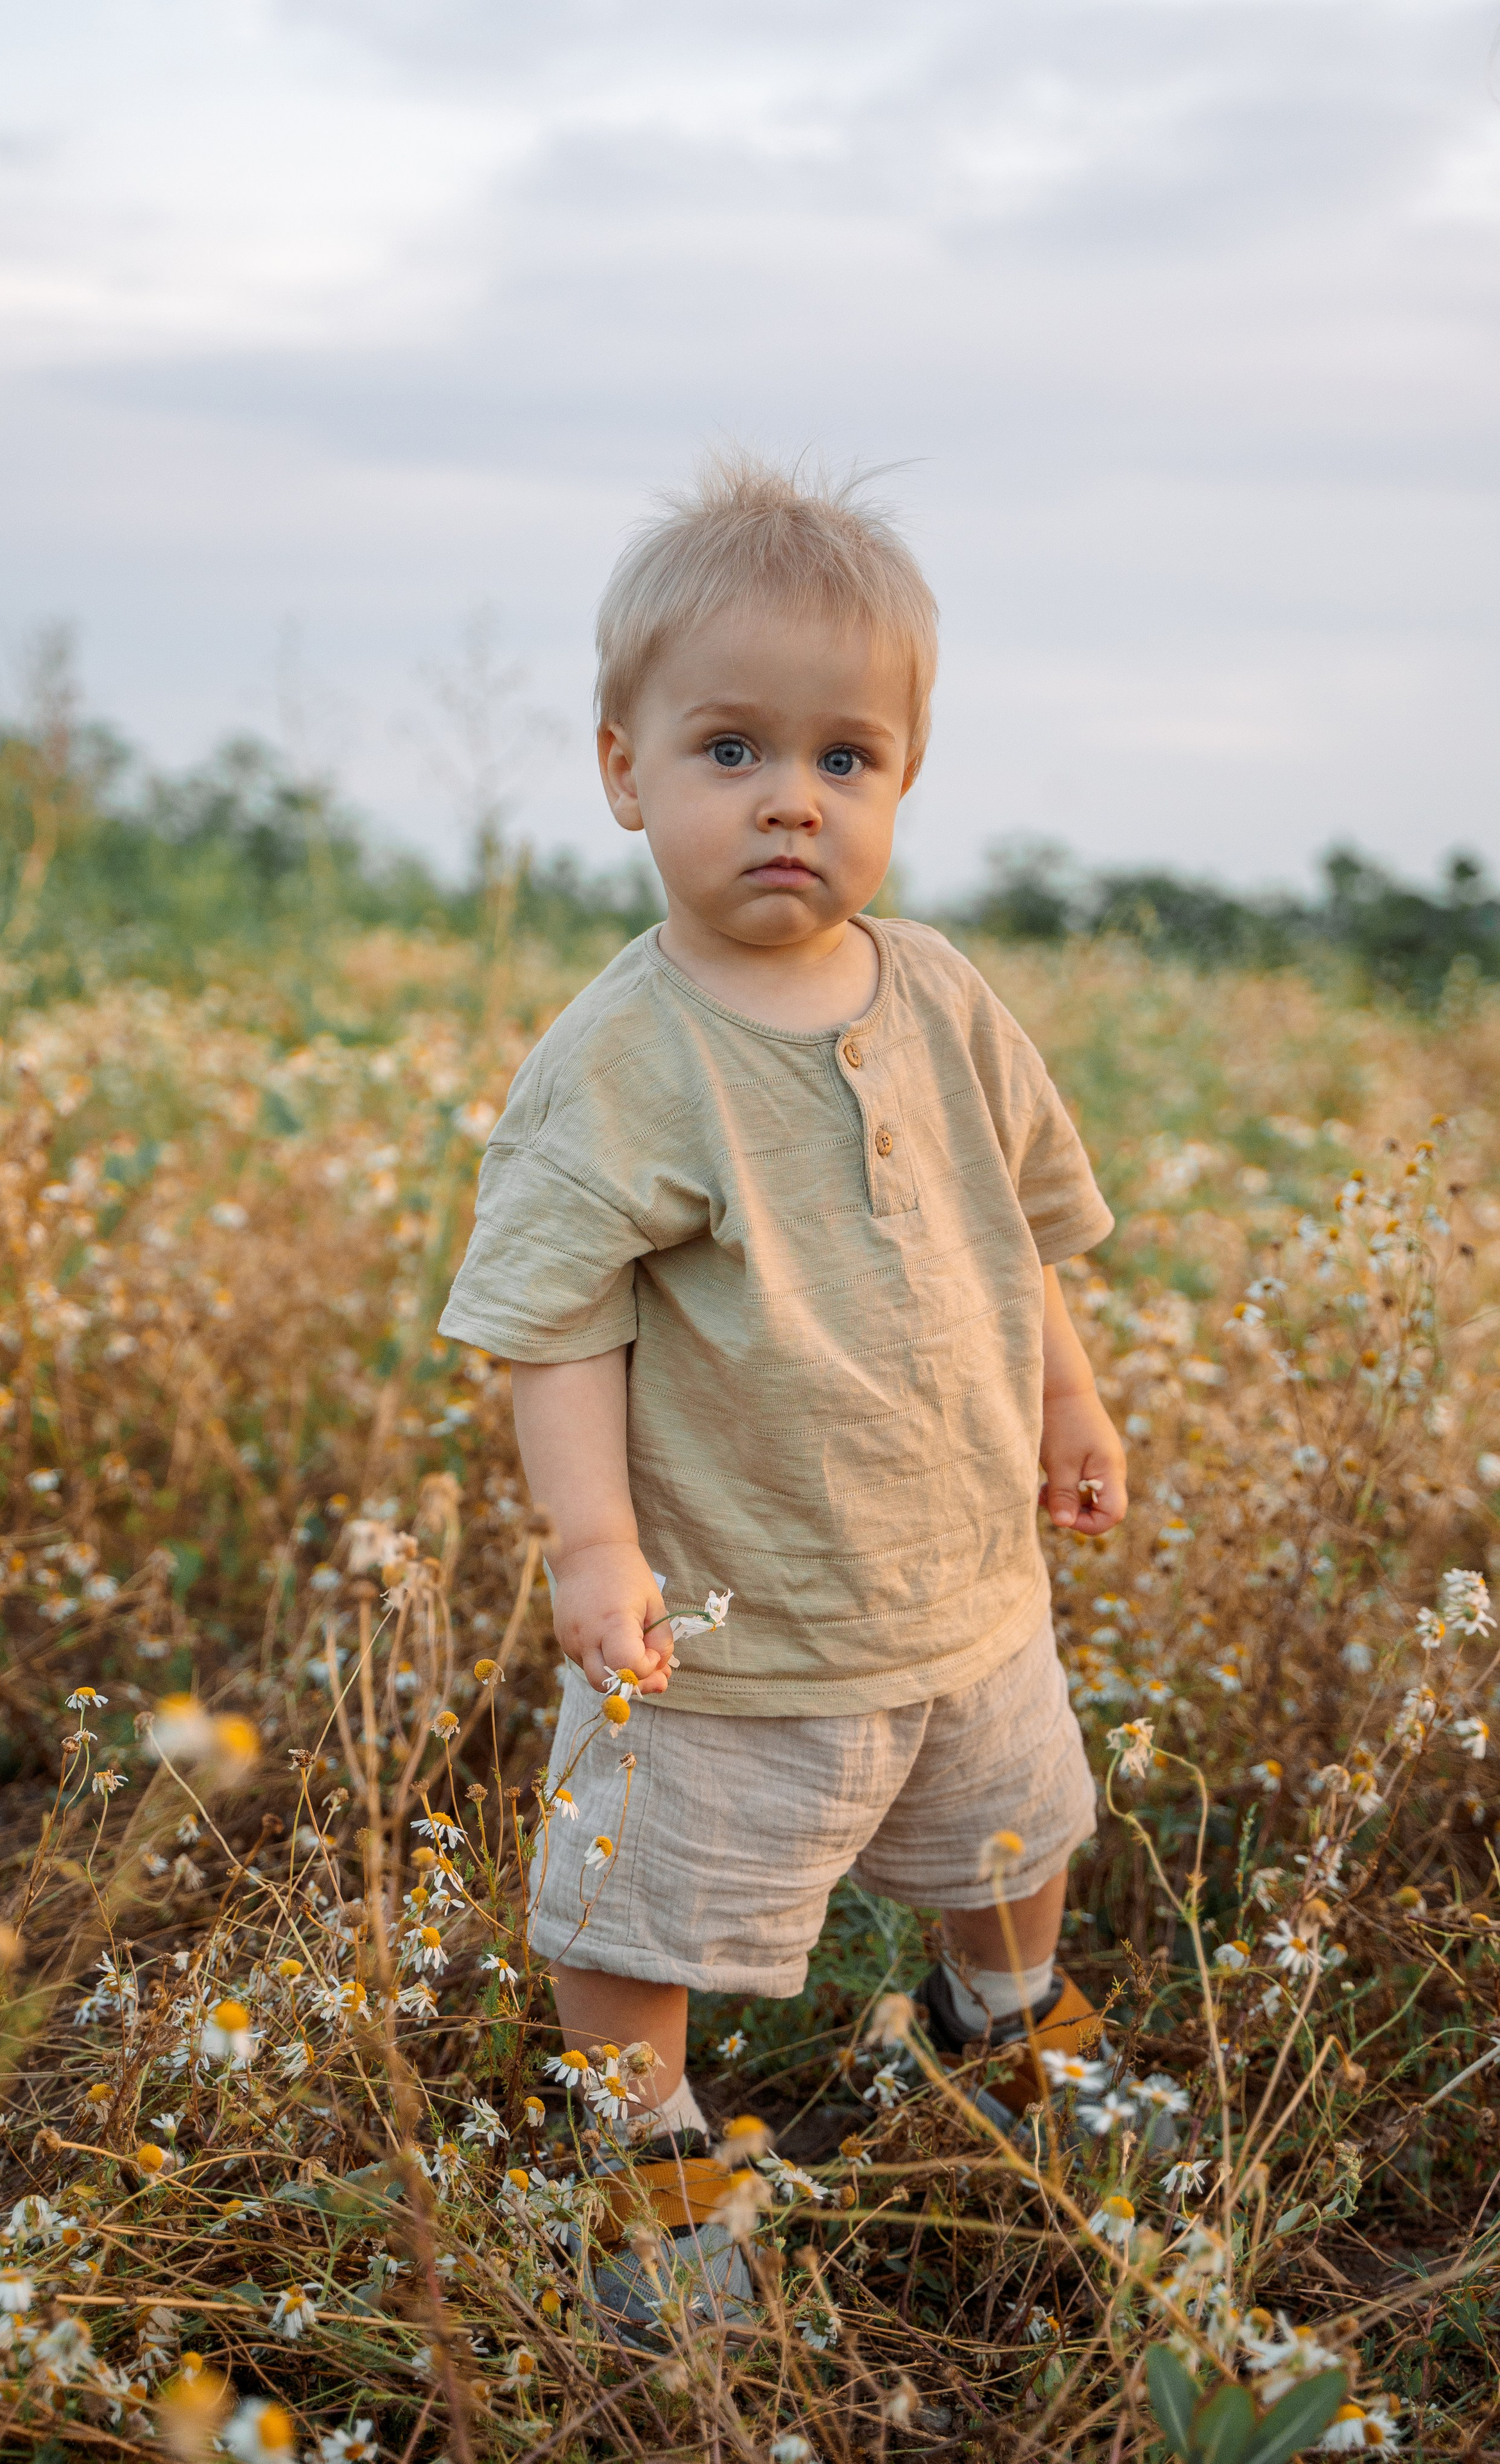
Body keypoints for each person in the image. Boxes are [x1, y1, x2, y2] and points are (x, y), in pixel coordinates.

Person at [438, 450, 1127, 2253]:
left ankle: (1010, 2015)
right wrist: (597, 1550)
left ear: (902, 779)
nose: (789, 803)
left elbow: (1019, 1225)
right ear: (624, 771)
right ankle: (649, 2147)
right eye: (730, 750)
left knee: (1011, 1826)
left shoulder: (949, 998)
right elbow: (559, 1328)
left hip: (966, 1581)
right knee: (638, 1903)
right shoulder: (621, 1057)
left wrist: (1070, 1397)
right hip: (733, 1625)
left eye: (844, 759)